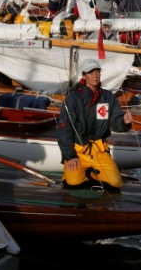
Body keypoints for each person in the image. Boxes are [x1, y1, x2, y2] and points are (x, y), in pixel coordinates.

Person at [57, 58, 133, 190]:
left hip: (99, 151)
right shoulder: (72, 99)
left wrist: (123, 122)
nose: (95, 75)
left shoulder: (108, 97)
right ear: (84, 75)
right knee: (73, 183)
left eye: (97, 71)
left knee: (115, 183)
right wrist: (70, 156)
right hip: (78, 152)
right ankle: (78, 173)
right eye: (91, 72)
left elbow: (116, 122)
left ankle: (93, 174)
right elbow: (64, 130)